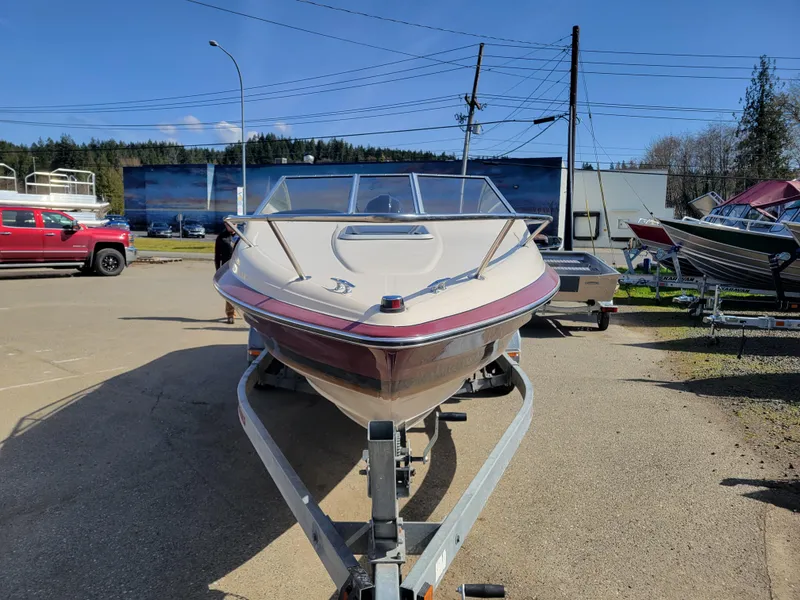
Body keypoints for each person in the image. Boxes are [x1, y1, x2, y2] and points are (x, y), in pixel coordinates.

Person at [215, 228, 237, 324]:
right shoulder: (221, 237)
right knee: (230, 291)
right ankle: (230, 314)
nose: (232, 226)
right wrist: (218, 270)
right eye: (229, 224)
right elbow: (217, 256)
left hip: (239, 267)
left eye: (234, 224)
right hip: (227, 268)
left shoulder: (240, 236)